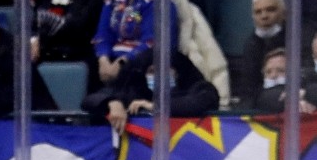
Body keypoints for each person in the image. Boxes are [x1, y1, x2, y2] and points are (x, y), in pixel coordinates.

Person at [84, 45, 218, 133]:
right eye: (152, 71)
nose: (159, 76)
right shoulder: (135, 92)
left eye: (166, 70)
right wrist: (112, 102)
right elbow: (89, 100)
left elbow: (201, 100)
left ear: (177, 72)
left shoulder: (197, 88)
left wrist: (155, 106)